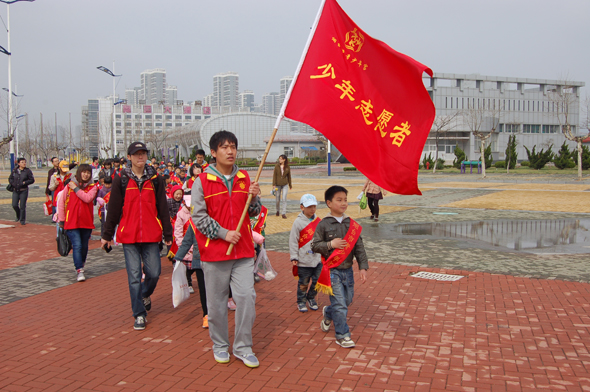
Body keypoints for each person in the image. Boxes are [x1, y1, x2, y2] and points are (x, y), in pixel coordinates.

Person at [191, 130, 261, 368]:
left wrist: (254, 199)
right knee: (217, 303)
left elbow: (253, 212)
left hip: (242, 251)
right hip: (214, 252)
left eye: (233, 146)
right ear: (213, 152)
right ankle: (220, 345)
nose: (230, 151)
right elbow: (198, 218)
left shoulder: (245, 178)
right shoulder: (201, 182)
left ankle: (243, 347)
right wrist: (223, 233)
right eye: (224, 147)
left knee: (246, 297)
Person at [101, 141, 173, 331]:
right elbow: (114, 209)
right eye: (137, 154)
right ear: (130, 157)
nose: (141, 157)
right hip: (129, 235)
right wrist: (107, 235)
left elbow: (162, 208)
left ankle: (144, 293)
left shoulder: (156, 179)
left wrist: (168, 232)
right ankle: (139, 314)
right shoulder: (121, 179)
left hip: (151, 234)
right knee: (133, 276)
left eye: (143, 153)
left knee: (154, 273)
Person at [311, 185, 368, 349]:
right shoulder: (323, 224)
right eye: (339, 200)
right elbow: (315, 245)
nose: (343, 203)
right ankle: (342, 335)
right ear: (329, 203)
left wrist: (362, 267)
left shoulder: (352, 224)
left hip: (348, 270)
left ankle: (329, 312)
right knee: (341, 304)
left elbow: (359, 247)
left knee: (347, 300)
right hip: (332, 271)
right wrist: (330, 244)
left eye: (345, 200)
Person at [57, 164, 98, 282]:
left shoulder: (93, 187)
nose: (86, 174)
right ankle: (79, 269)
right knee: (77, 245)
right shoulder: (69, 186)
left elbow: (87, 198)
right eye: (83, 172)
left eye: (88, 172)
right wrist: (61, 219)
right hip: (71, 222)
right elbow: (61, 201)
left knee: (84, 246)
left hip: (86, 222)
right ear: (79, 172)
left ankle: (81, 263)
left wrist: (76, 188)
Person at [174, 196, 209, 328]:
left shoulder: (215, 221)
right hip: (199, 262)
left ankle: (216, 311)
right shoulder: (193, 224)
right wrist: (177, 259)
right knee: (203, 289)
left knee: (215, 289)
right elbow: (186, 242)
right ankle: (206, 314)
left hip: (215, 261)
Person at [289, 194, 322, 313]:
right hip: (303, 260)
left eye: (314, 206)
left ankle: (311, 297)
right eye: (309, 207)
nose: (312, 209)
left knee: (318, 281)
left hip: (318, 259)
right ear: (302, 207)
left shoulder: (319, 221)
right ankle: (301, 301)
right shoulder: (298, 222)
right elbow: (293, 240)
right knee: (303, 283)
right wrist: (294, 256)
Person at [8, 158, 35, 225]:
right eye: (22, 162)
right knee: (14, 205)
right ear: (19, 163)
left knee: (22, 206)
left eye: (25, 162)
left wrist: (25, 182)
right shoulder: (15, 170)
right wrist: (13, 183)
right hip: (15, 190)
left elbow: (32, 180)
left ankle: (22, 220)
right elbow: (10, 178)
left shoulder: (28, 171)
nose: (24, 163)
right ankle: (18, 215)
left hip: (24, 190)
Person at [272, 154, 292, 219]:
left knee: (284, 198)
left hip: (285, 184)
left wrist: (290, 185)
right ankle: (277, 210)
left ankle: (283, 213)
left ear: (284, 159)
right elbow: (274, 176)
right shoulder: (276, 166)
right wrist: (274, 184)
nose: (279, 160)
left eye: (281, 159)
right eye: (279, 158)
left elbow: (289, 177)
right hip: (277, 185)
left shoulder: (287, 167)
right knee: (277, 199)